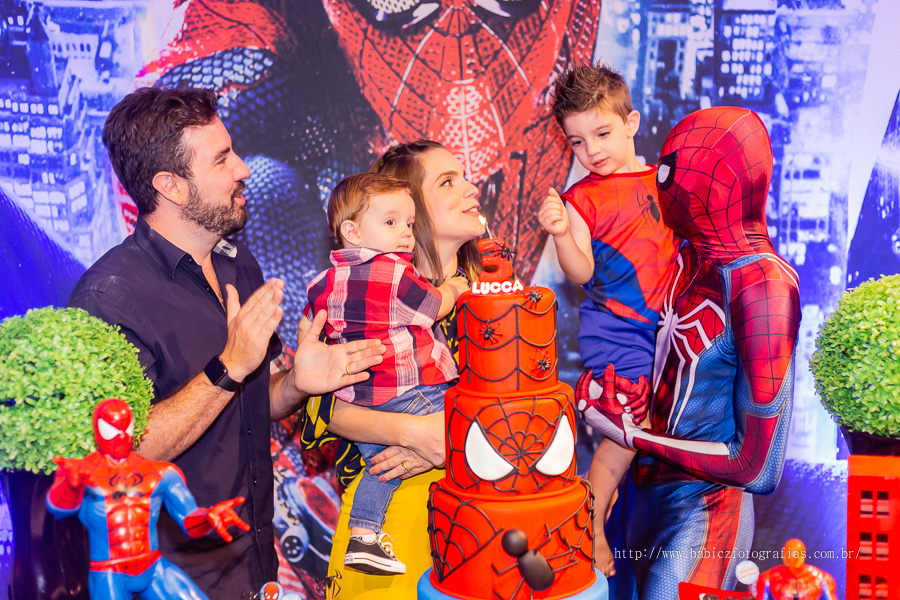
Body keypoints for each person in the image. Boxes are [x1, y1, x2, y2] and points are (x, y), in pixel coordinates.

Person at [67, 87, 385, 599]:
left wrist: (298, 383)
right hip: (172, 581)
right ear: (170, 185)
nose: (243, 168)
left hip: (256, 564)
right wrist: (227, 367)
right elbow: (124, 455)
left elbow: (254, 402)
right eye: (222, 159)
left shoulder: (238, 262)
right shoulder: (109, 297)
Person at [578, 107, 800, 598]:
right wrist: (611, 393)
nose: (661, 179)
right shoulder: (686, 256)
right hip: (640, 498)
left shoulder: (762, 285)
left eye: (672, 168)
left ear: (718, 182)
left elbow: (758, 467)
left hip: (704, 515)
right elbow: (662, 368)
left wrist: (632, 434)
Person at [296, 140, 485, 599]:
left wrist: (446, 439)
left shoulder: (496, 294)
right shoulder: (356, 296)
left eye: (465, 176)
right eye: (448, 181)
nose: (472, 189)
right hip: (393, 520)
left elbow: (521, 407)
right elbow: (319, 412)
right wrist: (413, 432)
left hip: (480, 515)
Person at [536, 62, 680, 575]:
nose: (591, 150)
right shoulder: (580, 199)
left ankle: (614, 515)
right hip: (615, 332)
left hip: (667, 327)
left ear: (632, 122)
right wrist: (559, 232)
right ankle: (588, 530)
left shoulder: (666, 181)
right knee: (622, 437)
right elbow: (580, 271)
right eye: (577, 142)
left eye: (601, 133)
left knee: (652, 437)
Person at [47, 399, 250, 600]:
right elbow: (58, 510)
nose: (121, 435)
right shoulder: (83, 472)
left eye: (126, 427)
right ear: (98, 428)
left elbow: (188, 520)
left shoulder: (158, 473)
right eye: (112, 429)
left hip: (152, 566)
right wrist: (70, 485)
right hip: (108, 573)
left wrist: (207, 517)